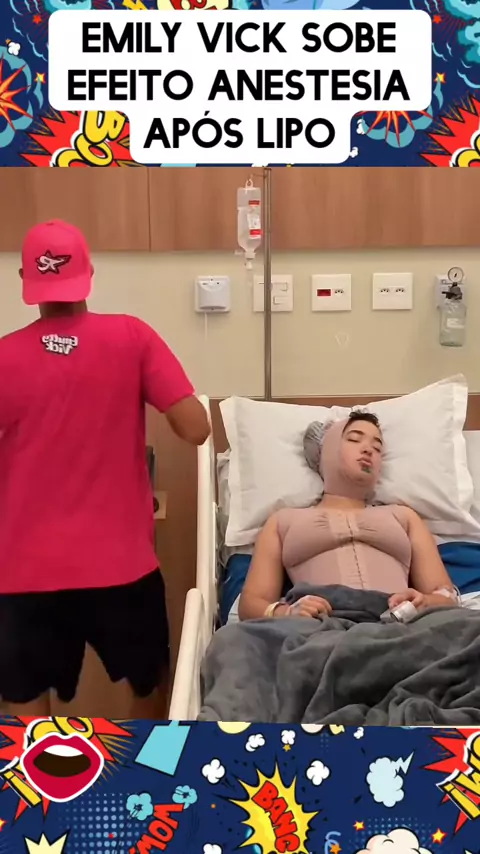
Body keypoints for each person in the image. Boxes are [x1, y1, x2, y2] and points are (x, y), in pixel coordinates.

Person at [0, 219, 210, 718]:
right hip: (121, 565)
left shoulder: (4, 357)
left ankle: (40, 773)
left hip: (24, 570)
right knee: (149, 703)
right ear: (89, 273)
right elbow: (196, 428)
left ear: (27, 282)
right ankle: (146, 769)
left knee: (26, 722)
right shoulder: (132, 338)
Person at [239, 411, 460, 621]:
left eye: (377, 447)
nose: (368, 450)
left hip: (397, 624)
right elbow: (251, 604)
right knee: (232, 640)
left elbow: (446, 596)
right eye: (354, 439)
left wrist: (424, 602)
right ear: (325, 452)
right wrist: (286, 613)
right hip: (319, 627)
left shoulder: (404, 517)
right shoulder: (283, 521)